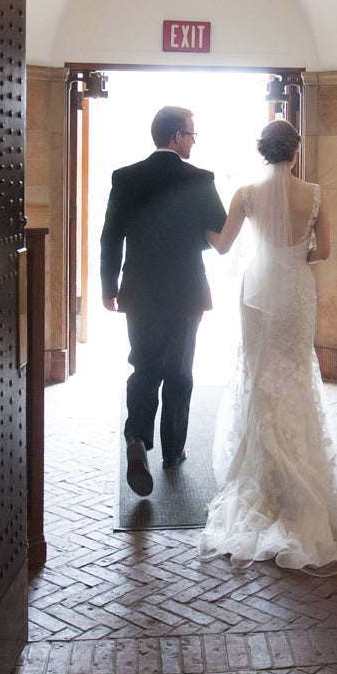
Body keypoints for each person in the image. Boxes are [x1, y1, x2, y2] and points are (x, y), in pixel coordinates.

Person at [199, 119, 337, 574]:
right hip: (296, 291)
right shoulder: (314, 194)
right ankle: (300, 478)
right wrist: (294, 261)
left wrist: (200, 225)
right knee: (294, 371)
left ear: (262, 152)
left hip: (257, 288)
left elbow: (223, 246)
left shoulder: (246, 194)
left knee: (258, 373)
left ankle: (262, 476)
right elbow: (324, 250)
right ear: (295, 151)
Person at [101, 105, 228, 497]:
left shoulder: (125, 178)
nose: (192, 140)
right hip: (186, 290)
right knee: (179, 370)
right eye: (191, 134)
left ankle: (137, 438)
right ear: (176, 136)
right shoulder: (200, 179)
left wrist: (108, 288)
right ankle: (173, 452)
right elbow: (219, 233)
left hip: (138, 289)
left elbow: (111, 237)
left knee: (143, 364)